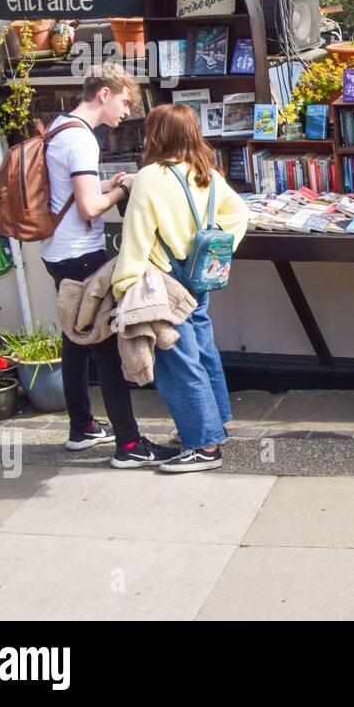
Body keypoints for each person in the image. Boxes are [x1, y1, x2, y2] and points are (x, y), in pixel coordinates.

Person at [40, 63, 176, 468]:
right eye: (125, 100)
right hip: (80, 254)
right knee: (106, 347)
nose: (128, 110)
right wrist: (121, 189)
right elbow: (88, 206)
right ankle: (129, 446)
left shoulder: (59, 126)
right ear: (104, 93)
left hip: (56, 251)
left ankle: (82, 427)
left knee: (74, 337)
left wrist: (108, 182)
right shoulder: (82, 141)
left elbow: (70, 190)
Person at [111, 104, 249, 472]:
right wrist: (219, 242)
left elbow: (137, 239)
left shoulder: (149, 178)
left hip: (166, 282)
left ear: (156, 134)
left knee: (178, 362)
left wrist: (123, 284)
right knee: (202, 349)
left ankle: (204, 447)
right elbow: (240, 214)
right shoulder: (207, 175)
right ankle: (215, 425)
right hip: (199, 277)